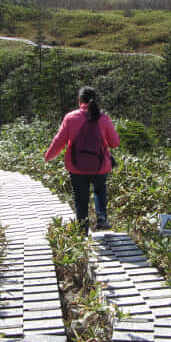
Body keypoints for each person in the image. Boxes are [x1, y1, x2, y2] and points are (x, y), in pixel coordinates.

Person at [44, 86, 120, 235]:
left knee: (80, 197)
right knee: (99, 190)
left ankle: (82, 230)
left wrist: (48, 156)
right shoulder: (104, 118)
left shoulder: (70, 117)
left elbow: (59, 141)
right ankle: (101, 217)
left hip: (76, 166)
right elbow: (114, 143)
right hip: (100, 166)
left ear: (79, 101)